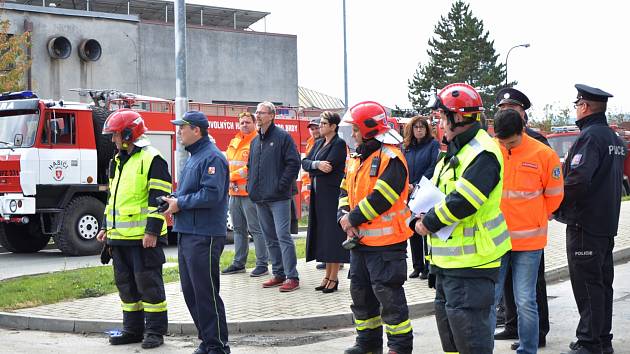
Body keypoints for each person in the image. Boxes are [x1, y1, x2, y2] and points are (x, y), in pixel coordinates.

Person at [411, 83, 511, 354]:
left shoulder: (483, 152)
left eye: (443, 117)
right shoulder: (455, 149)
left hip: (473, 265)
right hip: (448, 264)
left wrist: (427, 223)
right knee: (453, 342)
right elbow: (441, 193)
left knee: (471, 342)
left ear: (458, 117)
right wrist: (420, 211)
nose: (439, 123)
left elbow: (464, 201)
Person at [554, 84, 626, 354]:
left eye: (577, 104)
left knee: (587, 286)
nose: (576, 109)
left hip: (585, 223)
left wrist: (555, 206)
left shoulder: (589, 137)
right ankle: (601, 339)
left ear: (584, 106)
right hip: (606, 223)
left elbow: (578, 181)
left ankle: (589, 342)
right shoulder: (614, 139)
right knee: (601, 285)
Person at [338, 101, 414, 354]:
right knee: (360, 295)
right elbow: (344, 191)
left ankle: (399, 348)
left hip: (386, 244)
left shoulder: (391, 157)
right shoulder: (357, 156)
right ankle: (367, 344)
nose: (353, 134)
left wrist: (352, 219)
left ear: (369, 129)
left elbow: (382, 198)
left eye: (356, 129)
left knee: (389, 298)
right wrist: (343, 217)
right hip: (360, 243)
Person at [96, 109, 171, 349]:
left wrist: (151, 231)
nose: (112, 140)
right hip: (119, 239)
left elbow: (159, 200)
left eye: (116, 135)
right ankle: (132, 330)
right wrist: (106, 228)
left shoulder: (153, 159)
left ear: (129, 133)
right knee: (126, 287)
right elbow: (113, 200)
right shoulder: (116, 160)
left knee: (149, 286)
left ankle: (155, 333)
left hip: (143, 239)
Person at [491, 108, 564, 354]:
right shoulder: (491, 150)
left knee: (525, 300)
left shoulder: (543, 154)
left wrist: (534, 218)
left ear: (522, 129)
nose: (506, 145)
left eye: (510, 141)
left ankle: (528, 349)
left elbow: (554, 197)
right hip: (495, 240)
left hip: (529, 242)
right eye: (501, 141)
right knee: (489, 300)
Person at [162, 111, 231, 354]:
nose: (179, 131)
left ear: (197, 130)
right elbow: (194, 192)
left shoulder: (212, 157)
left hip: (205, 234)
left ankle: (218, 345)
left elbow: (211, 195)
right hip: (188, 231)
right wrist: (174, 200)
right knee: (191, 291)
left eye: (183, 127)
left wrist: (181, 203)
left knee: (206, 292)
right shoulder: (194, 156)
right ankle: (208, 340)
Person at [247, 101, 302, 292]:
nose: (258, 116)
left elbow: (294, 163)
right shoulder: (255, 141)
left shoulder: (282, 137)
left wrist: (281, 186)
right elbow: (250, 167)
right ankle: (278, 274)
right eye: (257, 112)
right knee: (269, 237)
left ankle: (292, 277)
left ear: (272, 115)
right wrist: (250, 187)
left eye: (261, 113)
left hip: (279, 197)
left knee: (283, 236)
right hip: (260, 198)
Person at [302, 111, 349, 293]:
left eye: (323, 124)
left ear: (333, 126)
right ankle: (326, 276)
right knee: (323, 235)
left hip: (331, 196)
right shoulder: (319, 142)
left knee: (332, 236)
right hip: (318, 196)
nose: (320, 127)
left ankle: (334, 277)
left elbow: (329, 167)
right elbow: (306, 162)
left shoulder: (339, 144)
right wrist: (316, 165)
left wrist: (318, 166)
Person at [221, 112, 269, 277]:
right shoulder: (234, 141)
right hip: (233, 193)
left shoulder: (257, 141)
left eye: (248, 122)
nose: (244, 125)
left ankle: (262, 264)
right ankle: (238, 263)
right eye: (242, 122)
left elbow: (253, 167)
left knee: (256, 229)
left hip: (249, 193)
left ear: (255, 123)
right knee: (238, 230)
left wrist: (231, 176)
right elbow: (227, 162)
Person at [402, 115, 440, 279]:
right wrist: (407, 185)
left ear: (427, 129)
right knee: (412, 229)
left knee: (424, 227)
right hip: (410, 193)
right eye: (416, 127)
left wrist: (417, 185)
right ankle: (417, 266)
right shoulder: (407, 147)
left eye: (422, 127)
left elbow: (433, 167)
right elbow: (402, 167)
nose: (419, 130)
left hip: (425, 192)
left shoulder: (433, 145)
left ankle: (427, 267)